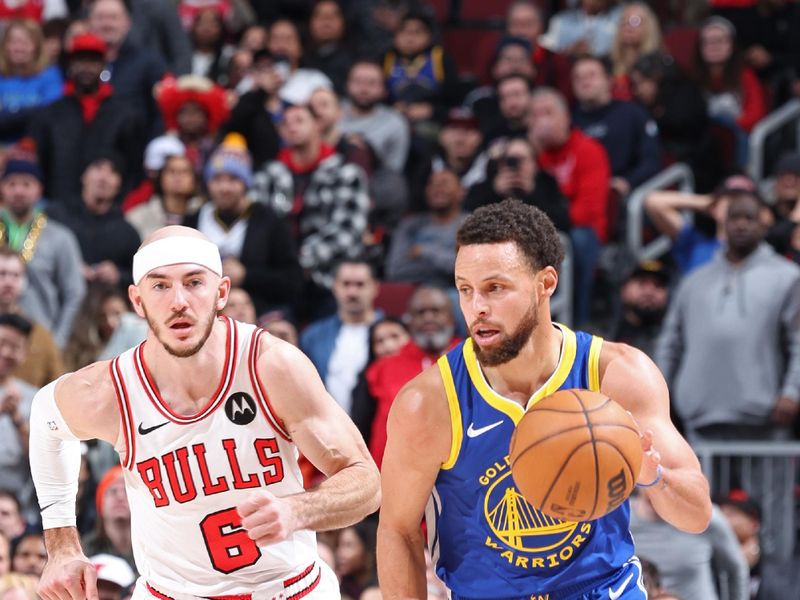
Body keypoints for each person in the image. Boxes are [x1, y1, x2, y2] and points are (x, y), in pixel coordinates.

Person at [377, 200, 712, 598]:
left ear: (545, 284)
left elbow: (696, 515)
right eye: (465, 290)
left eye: (495, 288)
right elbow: (397, 531)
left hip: (601, 589)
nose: (476, 307)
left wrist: (651, 477)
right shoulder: (429, 403)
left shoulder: (616, 374)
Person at [30, 225, 380, 600]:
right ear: (137, 300)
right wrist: (62, 541)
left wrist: (300, 510)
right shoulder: (110, 391)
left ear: (221, 292)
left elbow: (366, 482)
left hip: (287, 588)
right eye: (160, 285)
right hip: (171, 593)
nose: (178, 301)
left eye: (194, 282)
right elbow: (46, 421)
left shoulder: (271, 366)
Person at [655, 189, 800, 443]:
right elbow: (671, 343)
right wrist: (658, 397)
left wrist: (793, 392)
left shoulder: (788, 278)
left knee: (766, 485)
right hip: (699, 417)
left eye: (749, 218)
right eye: (734, 217)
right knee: (701, 485)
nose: (741, 224)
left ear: (763, 224)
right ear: (724, 223)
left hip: (766, 420)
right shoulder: (694, 281)